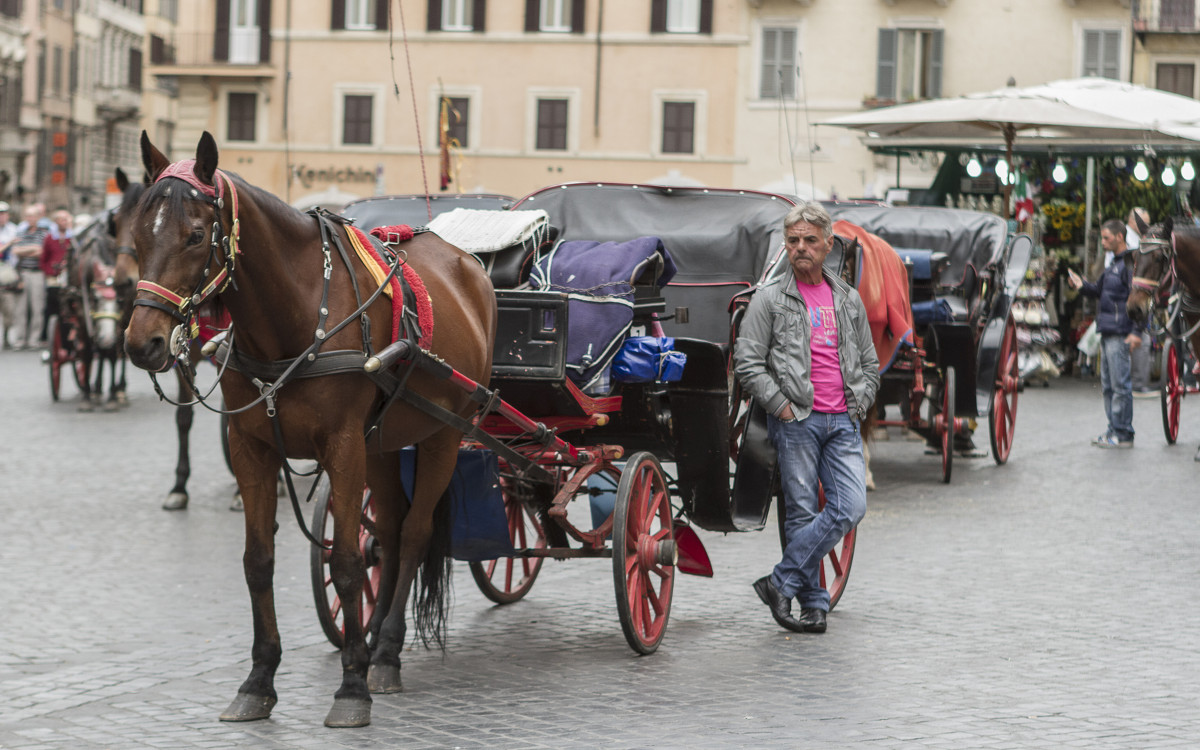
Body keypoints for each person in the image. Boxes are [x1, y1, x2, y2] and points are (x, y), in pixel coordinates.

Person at [733, 201, 880, 634]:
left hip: (843, 421)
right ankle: (814, 604)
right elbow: (748, 362)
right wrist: (780, 406)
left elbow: (869, 363)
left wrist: (861, 402)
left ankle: (780, 582)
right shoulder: (769, 301)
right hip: (797, 419)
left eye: (810, 241)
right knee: (799, 511)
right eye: (793, 240)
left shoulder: (847, 299)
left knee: (851, 506)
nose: (801, 248)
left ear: (828, 245)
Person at [1068, 218, 1142, 448]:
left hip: (1120, 332)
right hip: (1109, 331)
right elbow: (1097, 291)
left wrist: (1136, 331)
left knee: (1120, 386)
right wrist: (1081, 285)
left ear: (1120, 237)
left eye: (1106, 237)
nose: (1103, 242)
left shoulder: (1128, 265)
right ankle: (1114, 430)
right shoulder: (1114, 264)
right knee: (1110, 386)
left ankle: (1123, 433)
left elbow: (1139, 301)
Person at [9, 204, 49, 349]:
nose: (29, 219)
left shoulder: (44, 233)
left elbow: (41, 251)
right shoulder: (21, 232)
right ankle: (20, 339)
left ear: (38, 217)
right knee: (20, 308)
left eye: (32, 216)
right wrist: (31, 249)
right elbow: (15, 251)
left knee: (37, 307)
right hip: (23, 273)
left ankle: (34, 339)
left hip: (38, 273)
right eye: (27, 216)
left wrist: (25, 250)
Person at [1124, 208, 1154, 395]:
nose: (1148, 227)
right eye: (1145, 223)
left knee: (1139, 338)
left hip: (1133, 293)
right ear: (1135, 222)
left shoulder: (1132, 239)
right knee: (1140, 339)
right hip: (1134, 294)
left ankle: (1135, 381)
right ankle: (1137, 382)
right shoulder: (1130, 242)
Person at [40, 208, 74, 328]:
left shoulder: (73, 237)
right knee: (52, 303)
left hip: (69, 277)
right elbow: (43, 259)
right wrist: (49, 271)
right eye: (61, 219)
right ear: (56, 221)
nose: (63, 222)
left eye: (65, 219)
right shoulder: (50, 238)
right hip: (53, 276)